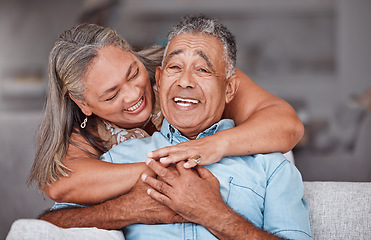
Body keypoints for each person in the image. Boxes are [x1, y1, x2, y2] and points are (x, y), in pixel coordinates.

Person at [40, 15, 311, 240]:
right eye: (111, 95)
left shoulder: (268, 166)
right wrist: (158, 180)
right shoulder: (101, 146)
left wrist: (209, 152)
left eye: (134, 73)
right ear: (84, 104)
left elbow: (287, 125)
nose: (133, 94)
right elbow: (57, 195)